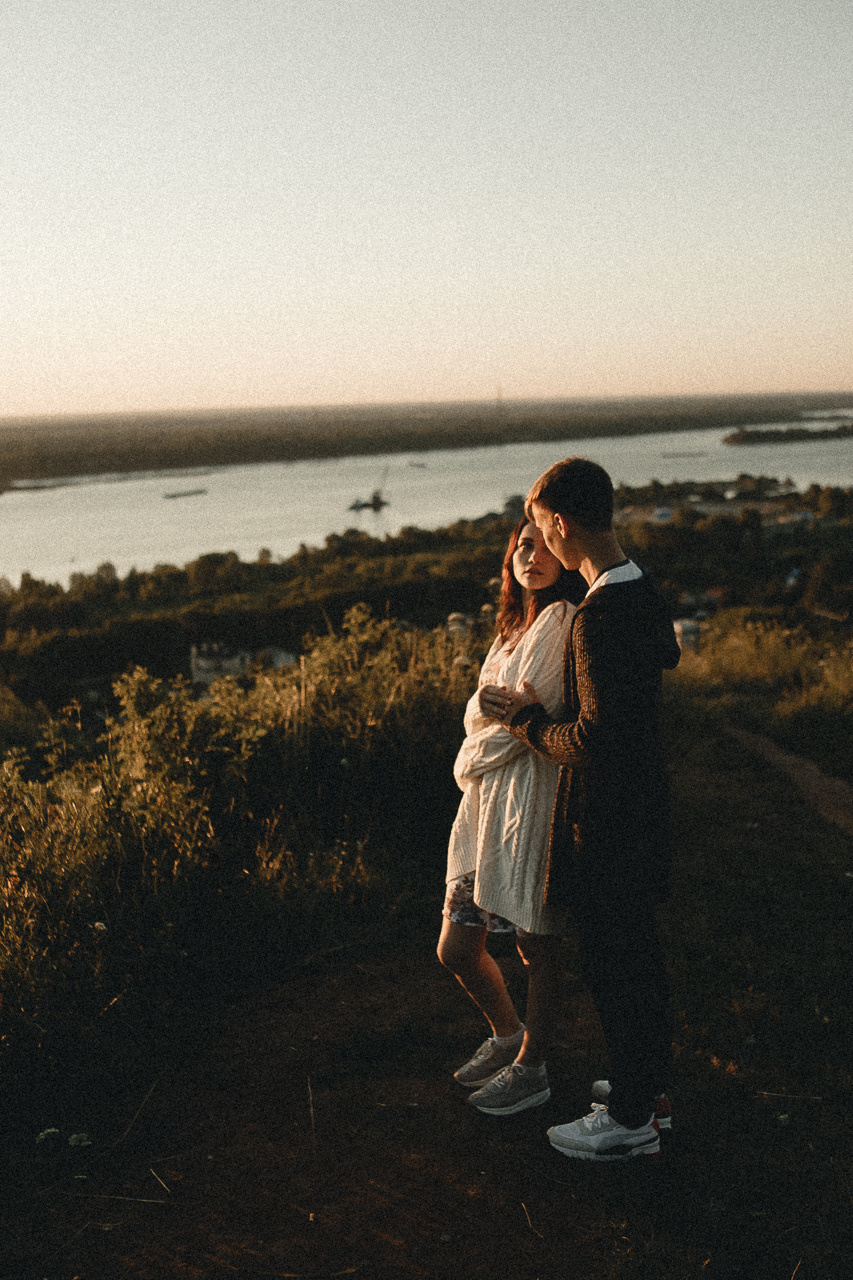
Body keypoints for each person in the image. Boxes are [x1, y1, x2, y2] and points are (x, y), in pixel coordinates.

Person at [490, 457, 680, 1160]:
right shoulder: (638, 588)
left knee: (616, 968)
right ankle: (645, 1094)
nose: (542, 540)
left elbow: (594, 738)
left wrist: (526, 725)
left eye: (542, 528)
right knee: (638, 963)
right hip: (642, 810)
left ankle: (630, 1122)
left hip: (607, 820)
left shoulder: (600, 617)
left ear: (561, 524)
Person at [437, 519, 585, 1116]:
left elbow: (521, 728)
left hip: (530, 800)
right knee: (456, 947)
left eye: (545, 544)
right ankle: (506, 1033)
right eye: (523, 544)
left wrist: (479, 732)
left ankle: (534, 1065)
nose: (532, 554)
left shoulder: (561, 622)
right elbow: (487, 715)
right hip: (482, 808)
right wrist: (487, 719)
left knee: (535, 942)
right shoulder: (510, 628)